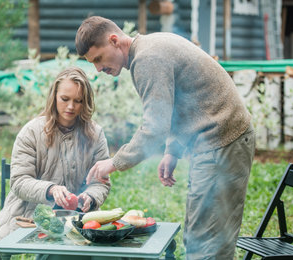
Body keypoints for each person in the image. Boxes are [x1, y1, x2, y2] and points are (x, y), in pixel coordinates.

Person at [75, 16, 255, 259]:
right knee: (198, 233)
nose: (98, 68)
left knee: (209, 240)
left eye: (98, 59)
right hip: (214, 141)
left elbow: (155, 127)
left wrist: (115, 162)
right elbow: (180, 105)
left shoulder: (147, 59)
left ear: (114, 40)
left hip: (222, 142)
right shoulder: (150, 46)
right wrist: (173, 150)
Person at [0, 66, 111, 244]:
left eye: (78, 101)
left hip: (78, 221)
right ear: (54, 96)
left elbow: (100, 183)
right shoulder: (31, 132)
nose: (71, 106)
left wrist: (92, 197)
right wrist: (50, 189)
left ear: (85, 102)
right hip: (30, 217)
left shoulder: (95, 134)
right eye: (65, 99)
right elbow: (19, 182)